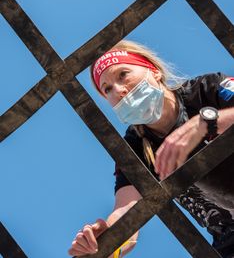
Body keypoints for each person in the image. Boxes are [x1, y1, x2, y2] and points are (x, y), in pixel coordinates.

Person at [68, 40, 234, 258]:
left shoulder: (206, 89)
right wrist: (108, 238)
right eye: (107, 88)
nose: (118, 90)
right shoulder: (134, 146)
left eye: (123, 74)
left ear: (154, 71)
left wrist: (207, 122)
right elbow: (127, 209)